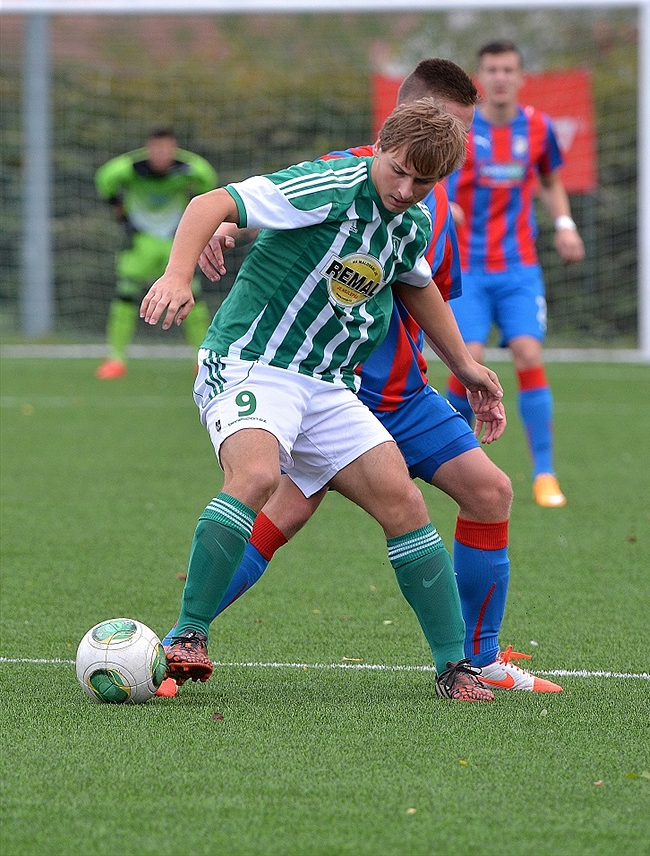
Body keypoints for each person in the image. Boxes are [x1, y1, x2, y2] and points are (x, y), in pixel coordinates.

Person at [158, 59, 562, 698]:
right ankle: (185, 636)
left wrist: (466, 367)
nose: (405, 188)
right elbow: (217, 201)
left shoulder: (418, 216)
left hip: (331, 382)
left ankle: (457, 668)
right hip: (253, 361)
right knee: (262, 481)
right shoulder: (335, 179)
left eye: (423, 179)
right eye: (399, 170)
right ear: (389, 137)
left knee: (407, 504)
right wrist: (180, 272)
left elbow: (416, 282)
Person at [444, 40, 585, 507]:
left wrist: (564, 225)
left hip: (519, 267)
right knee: (470, 359)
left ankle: (544, 473)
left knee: (527, 352)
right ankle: (450, 462)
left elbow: (549, 180)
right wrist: (444, 207)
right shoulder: (460, 130)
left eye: (508, 69)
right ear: (480, 77)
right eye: (492, 69)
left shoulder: (539, 128)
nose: (500, 77)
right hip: (468, 269)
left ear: (521, 77)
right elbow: (429, 181)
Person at [94, 127, 217, 379]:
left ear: (175, 149)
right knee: (125, 296)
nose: (161, 154)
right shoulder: (130, 168)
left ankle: (202, 359)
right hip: (140, 242)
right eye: (156, 149)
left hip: (176, 243)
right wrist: (121, 214)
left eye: (167, 149)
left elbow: (208, 181)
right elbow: (104, 179)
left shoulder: (188, 169)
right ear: (148, 149)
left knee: (192, 296)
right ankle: (116, 359)